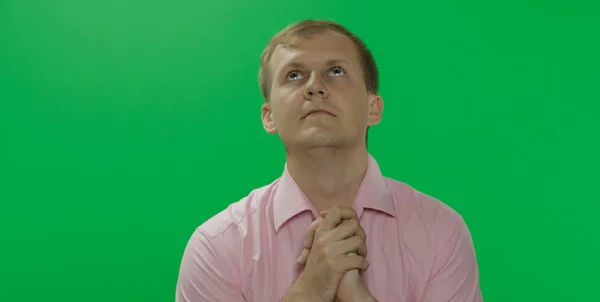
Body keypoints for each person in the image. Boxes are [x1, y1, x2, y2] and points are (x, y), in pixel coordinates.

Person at [175, 19, 483, 302]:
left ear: (373, 108)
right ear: (269, 117)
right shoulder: (217, 248)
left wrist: (355, 296)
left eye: (335, 71)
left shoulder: (442, 233)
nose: (314, 87)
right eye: (294, 75)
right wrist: (311, 288)